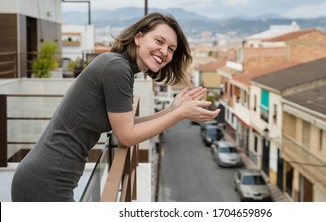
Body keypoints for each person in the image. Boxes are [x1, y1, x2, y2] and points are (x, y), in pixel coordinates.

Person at [11, 12, 220, 202]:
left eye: (171, 49)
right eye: (159, 41)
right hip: (46, 181)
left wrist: (173, 110)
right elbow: (126, 136)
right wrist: (181, 114)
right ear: (139, 38)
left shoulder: (119, 67)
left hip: (47, 177)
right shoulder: (117, 68)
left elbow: (126, 125)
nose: (164, 51)